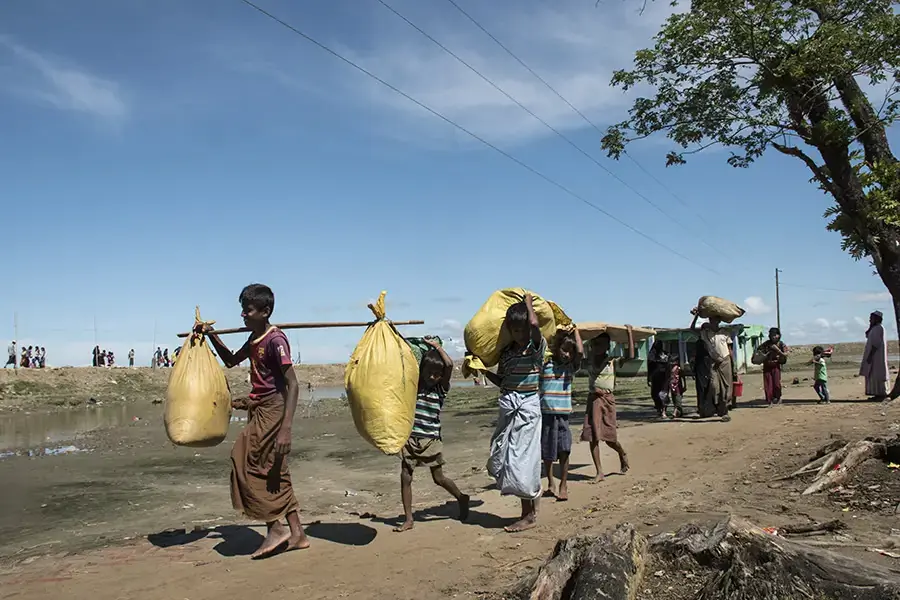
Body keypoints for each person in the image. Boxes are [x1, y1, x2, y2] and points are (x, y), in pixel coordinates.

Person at [201, 283, 309, 559]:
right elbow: (230, 360)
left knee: (244, 460)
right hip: (261, 408)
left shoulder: (276, 341)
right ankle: (297, 534)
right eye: (242, 310)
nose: (243, 316)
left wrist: (286, 429)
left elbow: (292, 385)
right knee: (275, 469)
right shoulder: (254, 340)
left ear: (265, 311)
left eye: (247, 311)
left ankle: (275, 527)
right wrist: (211, 335)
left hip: (274, 411)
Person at [481, 293, 545, 533]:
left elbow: (536, 325)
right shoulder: (507, 353)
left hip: (527, 408)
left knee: (522, 461)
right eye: (516, 331)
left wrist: (528, 303)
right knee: (505, 457)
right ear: (509, 330)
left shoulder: (536, 347)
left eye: (524, 329)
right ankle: (530, 510)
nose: (522, 335)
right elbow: (504, 381)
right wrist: (483, 371)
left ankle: (528, 515)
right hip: (509, 405)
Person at [395, 337, 470, 533]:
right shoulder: (415, 388)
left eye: (437, 374)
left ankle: (462, 498)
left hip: (431, 441)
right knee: (405, 477)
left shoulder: (440, 390)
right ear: (422, 372)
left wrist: (436, 347)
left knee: (438, 478)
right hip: (410, 439)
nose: (433, 377)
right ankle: (409, 519)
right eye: (430, 373)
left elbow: (449, 364)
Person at [540, 326, 583, 502]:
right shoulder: (545, 365)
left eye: (570, 352)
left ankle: (563, 485)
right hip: (546, 415)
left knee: (564, 451)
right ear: (557, 348)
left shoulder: (570, 368)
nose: (567, 355)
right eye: (565, 350)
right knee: (548, 453)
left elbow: (580, 351)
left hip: (563, 416)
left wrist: (576, 331)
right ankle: (550, 484)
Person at [581, 333, 630, 481]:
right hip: (593, 400)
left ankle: (622, 453)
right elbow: (577, 352)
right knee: (593, 437)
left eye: (601, 344)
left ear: (608, 346)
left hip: (607, 400)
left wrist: (628, 334)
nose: (598, 348)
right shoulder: (588, 361)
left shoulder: (612, 361)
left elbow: (630, 356)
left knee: (609, 438)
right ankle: (599, 472)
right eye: (595, 344)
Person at [690, 308, 732, 422]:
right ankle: (716, 408)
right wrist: (696, 316)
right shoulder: (705, 333)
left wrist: (733, 365)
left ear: (718, 321)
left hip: (725, 360)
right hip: (713, 362)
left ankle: (724, 412)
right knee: (714, 386)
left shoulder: (724, 332)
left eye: (714, 320)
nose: (712, 321)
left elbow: (729, 349)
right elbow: (692, 329)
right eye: (711, 319)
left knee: (726, 387)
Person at [860, 311, 890, 402]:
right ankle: (876, 394)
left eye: (871, 318)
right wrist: (870, 326)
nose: (870, 319)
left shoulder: (879, 328)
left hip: (876, 356)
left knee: (878, 374)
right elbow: (867, 335)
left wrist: (870, 356)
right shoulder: (874, 328)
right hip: (873, 356)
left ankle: (881, 394)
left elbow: (876, 344)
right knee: (872, 374)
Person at [754, 327, 788, 406]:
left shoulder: (781, 344)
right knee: (768, 384)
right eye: (772, 335)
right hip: (767, 366)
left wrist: (778, 352)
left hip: (776, 366)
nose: (773, 336)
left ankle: (778, 397)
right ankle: (770, 400)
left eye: (775, 335)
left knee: (776, 384)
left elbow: (786, 354)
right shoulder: (766, 344)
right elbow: (758, 351)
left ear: (778, 335)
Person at [647, 340, 669, 419]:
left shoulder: (665, 354)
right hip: (655, 377)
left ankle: (664, 411)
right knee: (655, 394)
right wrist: (648, 379)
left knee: (663, 394)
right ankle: (659, 409)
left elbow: (668, 366)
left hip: (664, 377)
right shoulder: (651, 355)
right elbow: (649, 368)